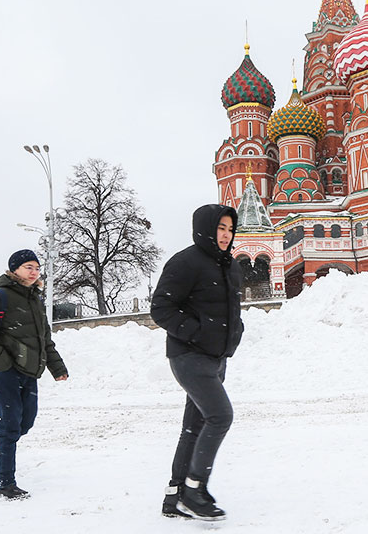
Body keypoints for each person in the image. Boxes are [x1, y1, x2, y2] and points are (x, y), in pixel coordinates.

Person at [150, 205, 243, 521]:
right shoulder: (185, 262)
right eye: (220, 228)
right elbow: (161, 307)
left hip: (217, 358)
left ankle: (175, 495)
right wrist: (195, 332)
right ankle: (194, 489)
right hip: (188, 356)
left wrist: (235, 333)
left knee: (195, 426)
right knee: (220, 416)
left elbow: (232, 309)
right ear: (205, 229)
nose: (226, 235)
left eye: (230, 229)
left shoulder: (229, 265)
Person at [0, 249, 68, 500]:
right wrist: (3, 364)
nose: (34, 272)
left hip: (29, 371)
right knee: (10, 426)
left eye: (37, 268)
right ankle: (5, 485)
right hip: (4, 373)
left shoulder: (35, 301)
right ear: (15, 270)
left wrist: (57, 367)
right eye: (28, 267)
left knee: (24, 423)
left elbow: (44, 340)